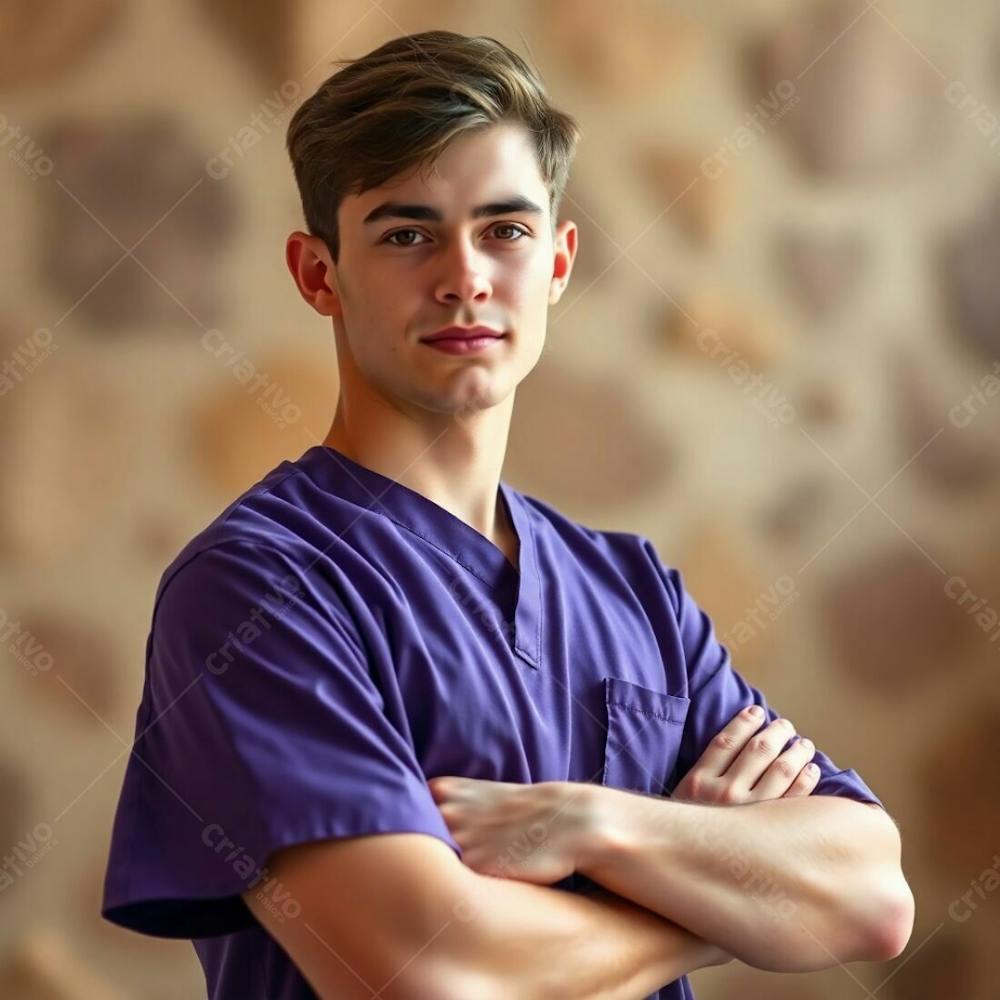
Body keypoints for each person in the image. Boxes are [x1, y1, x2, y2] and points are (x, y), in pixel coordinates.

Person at [101, 29, 913, 1000]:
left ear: (559, 261)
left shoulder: (634, 590)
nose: (465, 276)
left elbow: (868, 895)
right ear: (319, 274)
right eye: (406, 234)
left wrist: (591, 824)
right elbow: (426, 971)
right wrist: (711, 901)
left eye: (505, 230)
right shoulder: (256, 589)